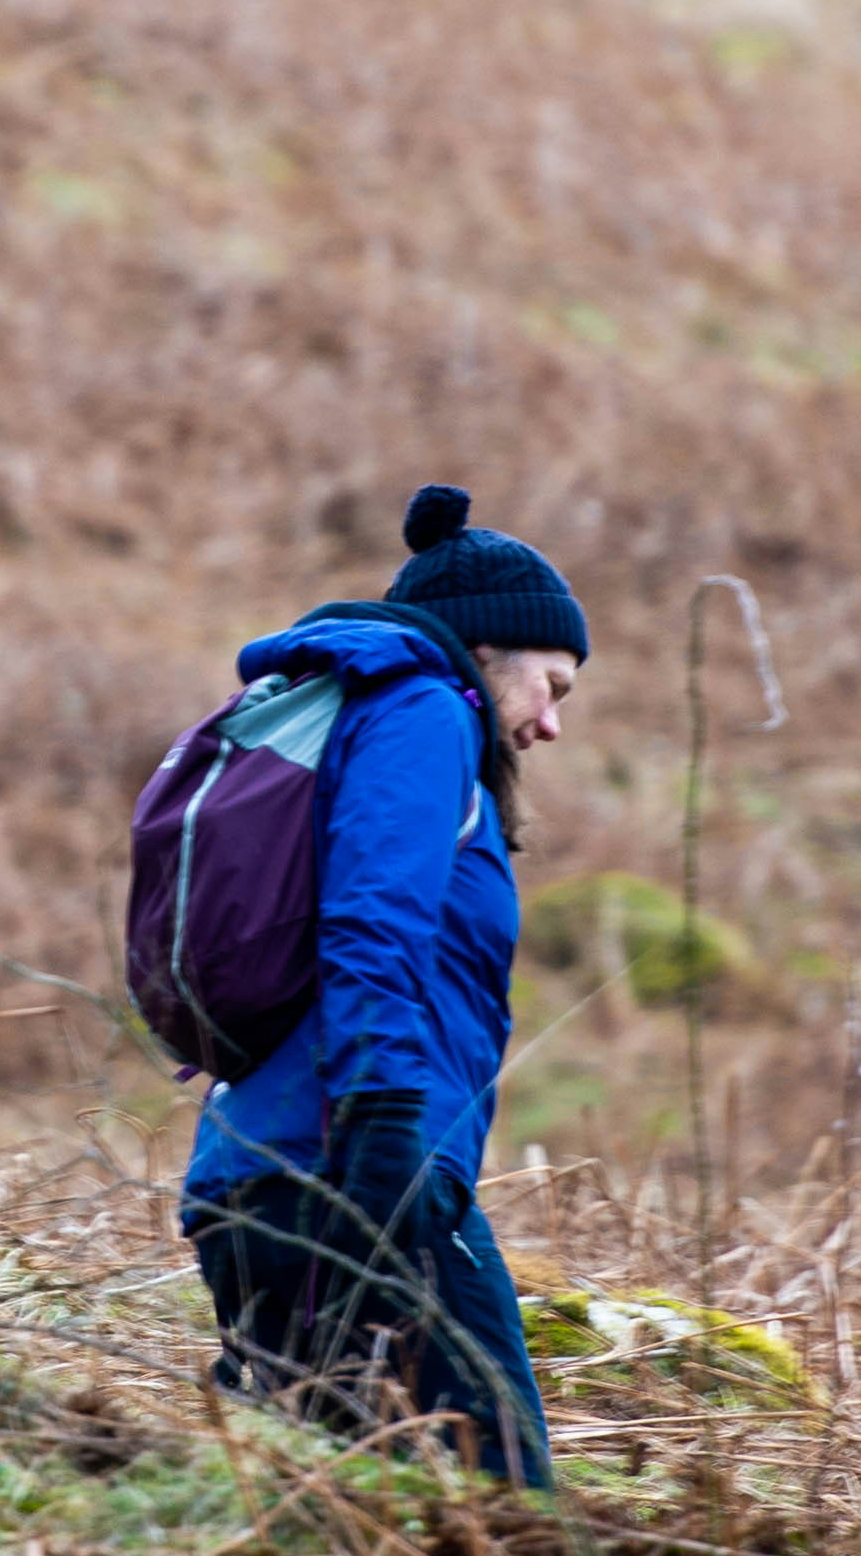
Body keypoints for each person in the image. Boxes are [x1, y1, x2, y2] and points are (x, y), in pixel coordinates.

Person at [183, 485, 589, 1485]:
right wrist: (381, 1122)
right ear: (487, 648)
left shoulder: (376, 717)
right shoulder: (421, 714)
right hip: (353, 1168)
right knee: (507, 1504)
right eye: (552, 686)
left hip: (271, 1170)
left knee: (326, 1501)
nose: (550, 725)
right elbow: (372, 922)